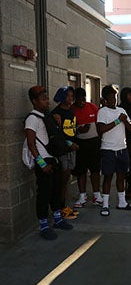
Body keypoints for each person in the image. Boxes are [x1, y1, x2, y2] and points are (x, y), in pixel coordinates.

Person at [25, 86, 73, 240]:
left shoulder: (47, 116)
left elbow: (53, 136)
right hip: (44, 161)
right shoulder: (32, 118)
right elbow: (31, 143)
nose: (46, 101)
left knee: (56, 191)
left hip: (53, 158)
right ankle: (44, 225)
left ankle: (57, 218)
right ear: (34, 101)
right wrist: (41, 163)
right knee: (44, 194)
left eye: (46, 98)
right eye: (43, 99)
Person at [97, 85, 131, 217]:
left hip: (122, 148)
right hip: (108, 149)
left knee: (122, 176)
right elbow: (100, 130)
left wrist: (125, 122)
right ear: (105, 98)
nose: (114, 98)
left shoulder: (122, 110)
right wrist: (118, 120)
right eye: (111, 96)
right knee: (108, 176)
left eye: (115, 96)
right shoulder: (103, 111)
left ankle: (122, 202)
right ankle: (105, 204)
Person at [71, 87, 103, 208]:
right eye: (79, 100)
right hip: (80, 144)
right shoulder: (72, 110)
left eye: (83, 99)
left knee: (95, 170)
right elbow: (68, 129)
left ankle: (97, 195)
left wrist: (100, 140)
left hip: (94, 143)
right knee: (81, 171)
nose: (82, 102)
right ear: (75, 99)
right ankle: (82, 196)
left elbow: (99, 124)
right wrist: (79, 130)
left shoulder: (92, 107)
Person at [52, 86, 79, 220]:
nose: (70, 98)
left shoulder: (71, 111)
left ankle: (63, 207)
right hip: (62, 151)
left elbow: (71, 129)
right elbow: (56, 135)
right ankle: (59, 208)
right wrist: (69, 144)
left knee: (66, 179)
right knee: (62, 180)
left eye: (71, 95)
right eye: (67, 95)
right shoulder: (56, 113)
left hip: (72, 151)